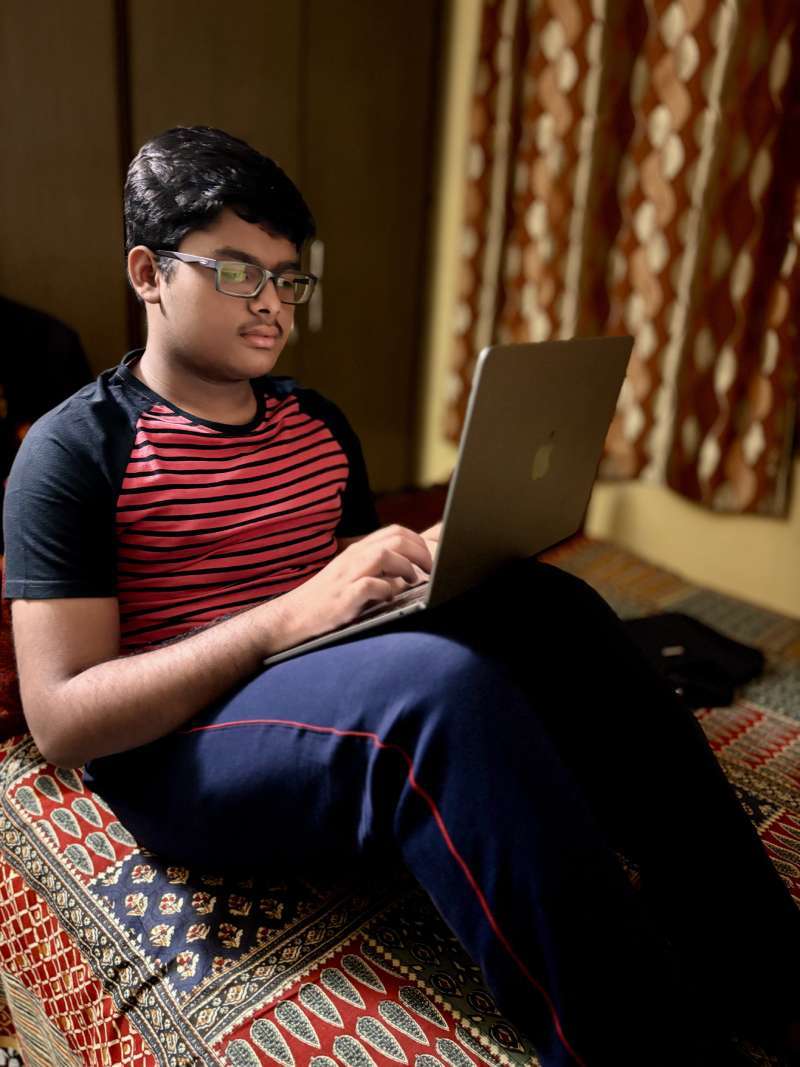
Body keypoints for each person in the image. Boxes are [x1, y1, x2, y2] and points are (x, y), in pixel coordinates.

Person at [4, 126, 799, 1067]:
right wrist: (286, 616)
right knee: (437, 693)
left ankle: (766, 967)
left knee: (551, 607)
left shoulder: (315, 422)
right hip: (177, 744)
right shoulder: (74, 450)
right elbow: (62, 718)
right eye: (236, 272)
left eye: (287, 277)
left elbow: (347, 575)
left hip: (308, 679)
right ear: (149, 273)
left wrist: (420, 561)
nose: (271, 303)